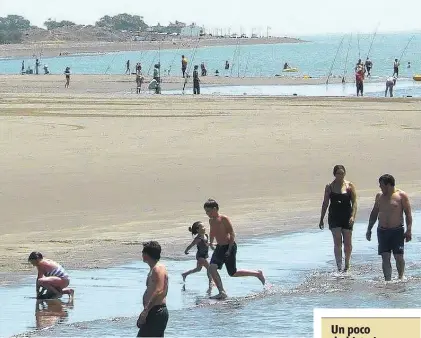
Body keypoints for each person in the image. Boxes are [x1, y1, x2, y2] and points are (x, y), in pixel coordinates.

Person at [204, 199, 265, 300]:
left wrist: (229, 249)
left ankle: (257, 274)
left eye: (209, 211)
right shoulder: (211, 220)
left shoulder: (223, 219)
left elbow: (231, 233)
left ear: (215, 209)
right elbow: (212, 232)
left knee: (232, 273)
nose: (207, 214)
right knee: (212, 268)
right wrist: (210, 242)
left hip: (229, 247)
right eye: (206, 212)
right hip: (219, 247)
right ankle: (222, 292)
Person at [366, 174, 413, 281]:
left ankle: (401, 278)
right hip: (382, 231)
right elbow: (374, 213)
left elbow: (408, 214)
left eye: (381, 185)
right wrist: (369, 229)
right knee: (385, 257)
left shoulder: (401, 196)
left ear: (388, 185)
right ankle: (388, 280)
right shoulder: (379, 196)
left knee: (398, 257)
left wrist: (409, 230)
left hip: (397, 231)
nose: (380, 187)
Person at [319, 165, 357, 272]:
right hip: (334, 217)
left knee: (348, 242)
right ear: (334, 174)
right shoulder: (329, 187)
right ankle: (339, 266)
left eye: (342, 173)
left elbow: (354, 202)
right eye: (338, 173)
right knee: (337, 242)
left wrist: (353, 216)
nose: (340, 175)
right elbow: (325, 203)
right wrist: (321, 218)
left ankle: (347, 264)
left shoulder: (349, 186)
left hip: (347, 216)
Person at [137, 241, 169, 337]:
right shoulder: (154, 268)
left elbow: (159, 291)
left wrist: (145, 312)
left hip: (157, 311)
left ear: (146, 254)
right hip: (154, 311)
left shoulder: (158, 269)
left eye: (143, 252)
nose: (142, 255)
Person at [182, 221, 213, 288]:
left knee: (198, 269)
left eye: (204, 226)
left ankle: (185, 274)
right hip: (200, 256)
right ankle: (211, 282)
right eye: (202, 227)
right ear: (197, 230)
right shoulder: (198, 239)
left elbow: (207, 243)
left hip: (204, 256)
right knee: (209, 268)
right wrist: (186, 250)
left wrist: (213, 244)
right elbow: (191, 245)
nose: (204, 228)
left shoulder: (206, 235)